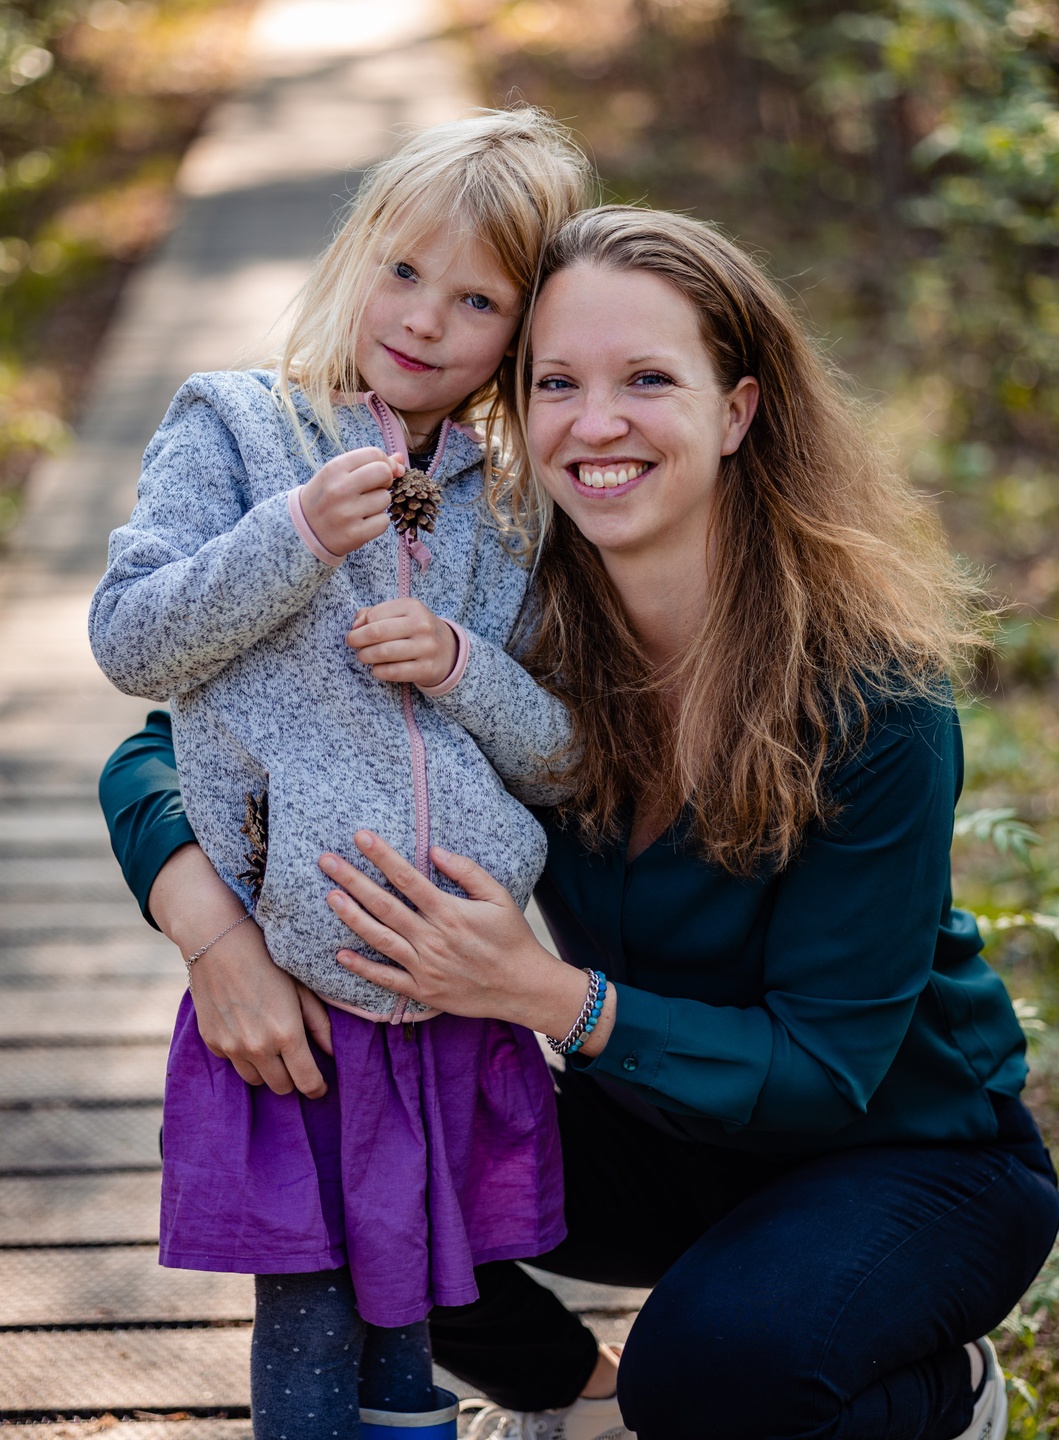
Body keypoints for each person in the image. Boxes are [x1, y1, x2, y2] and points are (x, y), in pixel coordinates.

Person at [99, 205, 1059, 1440]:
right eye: (557, 383)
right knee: (366, 1162)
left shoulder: (873, 697)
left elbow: (825, 1072)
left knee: (712, 1377)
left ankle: (944, 1392)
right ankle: (578, 1398)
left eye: (647, 379)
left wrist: (541, 993)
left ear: (737, 410)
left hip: (901, 1154)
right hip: (652, 1129)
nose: (595, 423)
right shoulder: (513, 620)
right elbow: (164, 747)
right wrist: (218, 939)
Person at [89, 109, 593, 1440]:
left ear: (522, 329)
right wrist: (296, 535)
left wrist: (461, 667)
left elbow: (558, 754)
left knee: (413, 1317)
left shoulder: (512, 507)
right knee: (313, 1315)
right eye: (404, 270)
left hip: (454, 988)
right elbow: (131, 641)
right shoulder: (235, 427)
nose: (425, 318)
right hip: (296, 982)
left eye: (478, 300)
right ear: (355, 253)